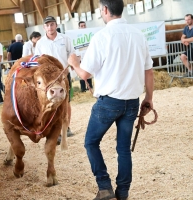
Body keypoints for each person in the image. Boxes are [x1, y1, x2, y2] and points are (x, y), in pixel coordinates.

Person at [68, 1, 154, 199]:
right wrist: (149, 98)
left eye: (100, 10)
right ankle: (122, 192)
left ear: (105, 10)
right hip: (132, 101)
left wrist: (74, 63)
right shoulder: (138, 35)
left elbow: (85, 74)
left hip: (109, 102)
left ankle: (105, 187)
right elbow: (148, 71)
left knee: (91, 142)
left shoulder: (101, 37)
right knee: (123, 148)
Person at [35, 15, 75, 143]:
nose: (50, 27)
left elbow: (72, 54)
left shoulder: (65, 38)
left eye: (52, 24)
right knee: (50, 103)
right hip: (48, 79)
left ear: (56, 25)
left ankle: (66, 127)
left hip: (63, 75)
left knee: (65, 102)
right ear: (44, 27)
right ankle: (53, 129)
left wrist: (70, 66)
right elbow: (38, 60)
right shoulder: (40, 43)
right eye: (47, 25)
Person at [77, 21, 93, 92]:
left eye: (84, 26)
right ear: (79, 27)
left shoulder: (89, 35)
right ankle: (83, 88)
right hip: (80, 57)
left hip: (88, 56)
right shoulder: (77, 36)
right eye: (81, 26)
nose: (83, 27)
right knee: (81, 71)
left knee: (88, 70)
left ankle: (90, 86)